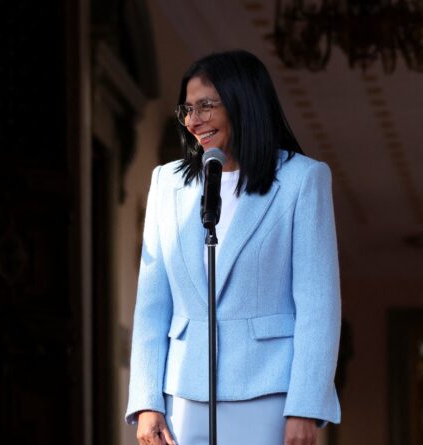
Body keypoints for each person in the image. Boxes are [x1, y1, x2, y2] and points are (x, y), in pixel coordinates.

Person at [126, 50, 341, 445]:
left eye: (206, 106)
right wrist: (146, 401)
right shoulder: (166, 183)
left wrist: (305, 406)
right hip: (182, 396)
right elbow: (151, 306)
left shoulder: (302, 180)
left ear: (244, 101)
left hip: (268, 393)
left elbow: (318, 305)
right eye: (187, 109)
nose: (194, 120)